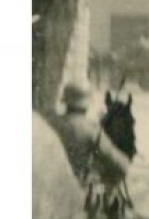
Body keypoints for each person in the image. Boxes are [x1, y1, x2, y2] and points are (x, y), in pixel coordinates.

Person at [49, 83, 132, 219]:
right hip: (77, 192)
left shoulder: (52, 124)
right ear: (86, 104)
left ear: (66, 102)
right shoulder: (90, 129)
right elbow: (119, 163)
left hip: (50, 191)